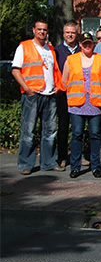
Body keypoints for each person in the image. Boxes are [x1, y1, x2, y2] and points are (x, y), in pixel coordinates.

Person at [12, 19, 64, 175]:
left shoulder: (50, 49)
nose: (42, 32)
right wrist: (27, 89)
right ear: (34, 30)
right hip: (33, 95)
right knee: (29, 130)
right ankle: (26, 164)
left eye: (45, 29)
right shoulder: (24, 47)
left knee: (50, 131)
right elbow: (15, 70)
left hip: (49, 95)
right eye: (39, 29)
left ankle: (49, 162)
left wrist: (57, 86)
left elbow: (54, 70)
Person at [61, 32, 101, 178]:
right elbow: (64, 80)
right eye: (84, 43)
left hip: (96, 103)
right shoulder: (71, 59)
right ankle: (75, 167)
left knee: (95, 134)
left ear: (93, 44)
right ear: (80, 45)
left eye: (90, 43)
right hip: (77, 103)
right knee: (77, 134)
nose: (87, 45)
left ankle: (96, 166)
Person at [53, 21, 80, 169]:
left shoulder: (82, 50)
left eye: (73, 32)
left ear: (77, 34)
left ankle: (78, 156)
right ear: (63, 34)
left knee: (79, 128)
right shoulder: (57, 51)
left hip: (79, 94)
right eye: (67, 32)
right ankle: (62, 157)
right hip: (63, 94)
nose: (70, 35)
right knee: (63, 127)